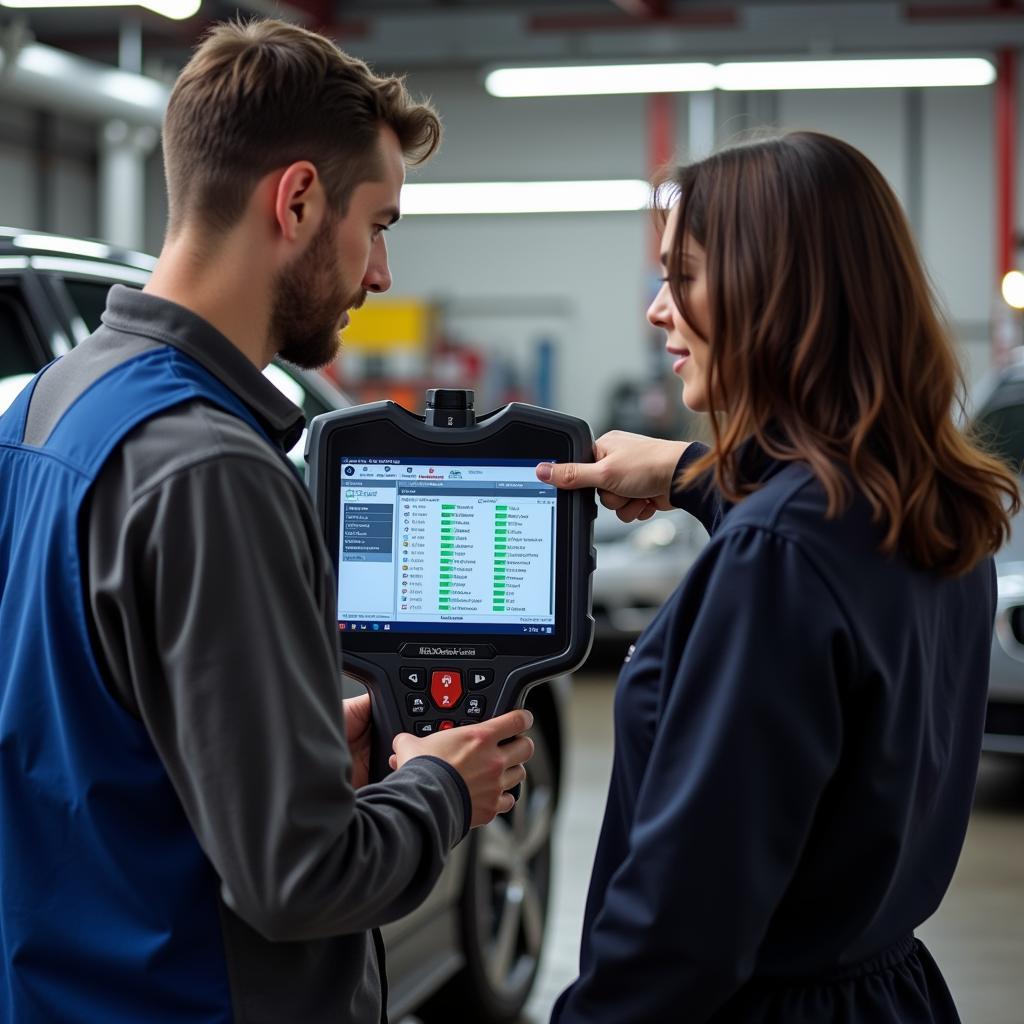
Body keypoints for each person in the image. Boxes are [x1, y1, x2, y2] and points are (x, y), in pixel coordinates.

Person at [0, 19, 534, 1024]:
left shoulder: (41, 410)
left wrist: (288, 749)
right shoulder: (213, 472)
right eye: (378, 225)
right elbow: (300, 879)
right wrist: (440, 791)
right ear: (295, 201)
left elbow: (74, 742)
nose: (381, 275)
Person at [539, 131, 1019, 1023]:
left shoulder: (778, 559)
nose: (657, 311)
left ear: (775, 294)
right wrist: (690, 473)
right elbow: (816, 535)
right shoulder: (934, 508)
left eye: (683, 275)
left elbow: (679, 934)